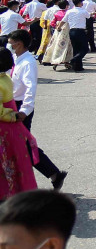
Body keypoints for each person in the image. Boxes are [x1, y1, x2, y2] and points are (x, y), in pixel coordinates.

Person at [7, 31, 66, 191]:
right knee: (16, 146)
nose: (10, 46)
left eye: (12, 43)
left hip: (20, 108)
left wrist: (25, 110)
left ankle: (53, 174)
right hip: (10, 104)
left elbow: (30, 89)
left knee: (25, 146)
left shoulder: (28, 63)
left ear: (20, 44)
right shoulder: (15, 58)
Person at [0, 51, 38, 199]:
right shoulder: (7, 79)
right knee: (15, 160)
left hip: (4, 126)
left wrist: (12, 116)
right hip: (12, 128)